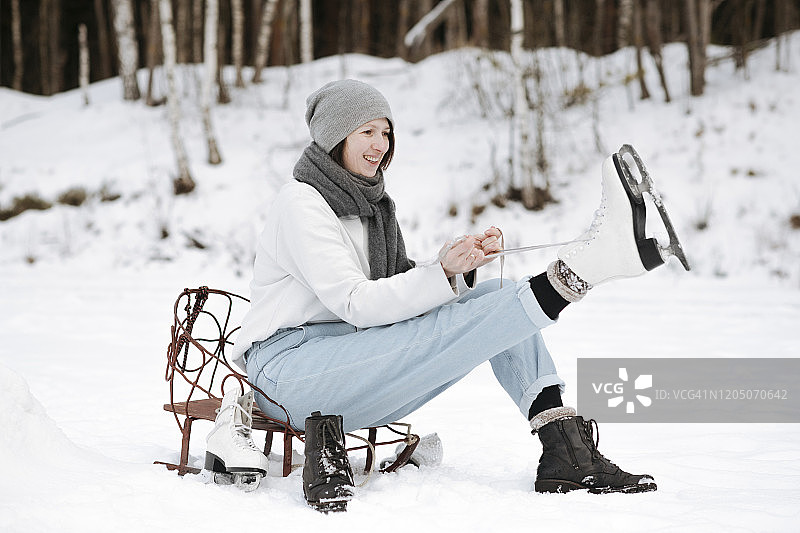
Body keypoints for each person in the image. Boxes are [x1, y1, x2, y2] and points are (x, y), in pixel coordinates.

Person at [231, 79, 670, 511]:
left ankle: (565, 450)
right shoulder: (302, 202)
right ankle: (582, 270)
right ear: (336, 136)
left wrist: (457, 271)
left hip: (352, 357)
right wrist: (439, 274)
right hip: (290, 373)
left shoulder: (373, 207)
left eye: (385, 132)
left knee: (496, 292)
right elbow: (357, 303)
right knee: (480, 316)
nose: (380, 144)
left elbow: (395, 284)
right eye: (366, 131)